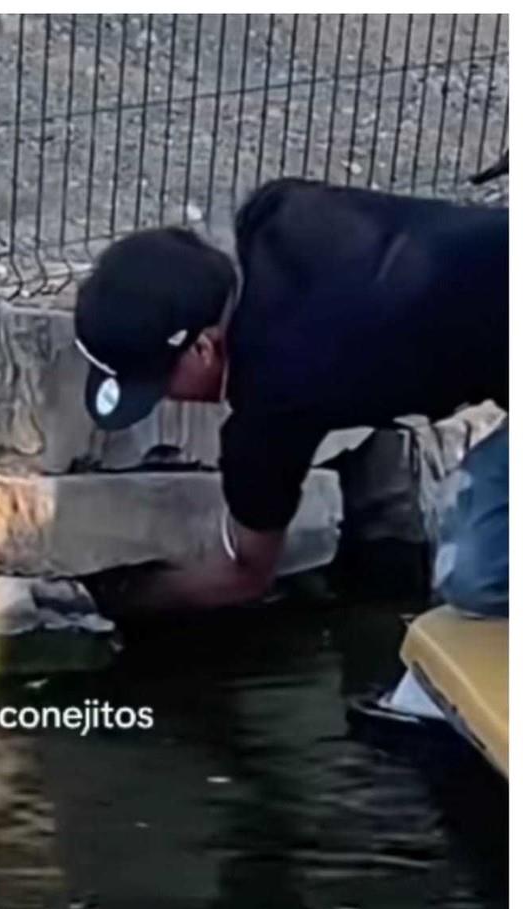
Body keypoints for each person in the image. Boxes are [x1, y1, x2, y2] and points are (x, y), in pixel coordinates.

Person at [72, 178, 507, 619]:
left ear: (204, 348)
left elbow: (244, 577)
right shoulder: (275, 212)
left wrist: (113, 602)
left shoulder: (275, 406)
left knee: (477, 574)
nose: (167, 399)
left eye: (160, 383)